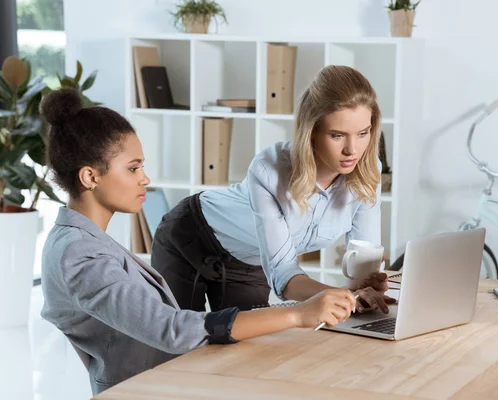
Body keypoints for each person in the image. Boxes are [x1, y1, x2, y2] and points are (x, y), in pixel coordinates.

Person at [39, 88, 357, 396]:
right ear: (90, 177)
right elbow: (172, 330)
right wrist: (297, 314)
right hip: (142, 390)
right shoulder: (79, 253)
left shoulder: (85, 242)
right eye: (133, 168)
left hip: (168, 380)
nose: (145, 178)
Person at [151, 65, 395, 316]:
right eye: (337, 135)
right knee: (183, 343)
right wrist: (345, 298)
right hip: (191, 237)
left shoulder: (368, 170)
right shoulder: (269, 170)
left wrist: (366, 288)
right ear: (311, 132)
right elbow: (285, 275)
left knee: (249, 350)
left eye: (363, 133)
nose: (352, 150)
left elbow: (364, 254)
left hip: (252, 263)